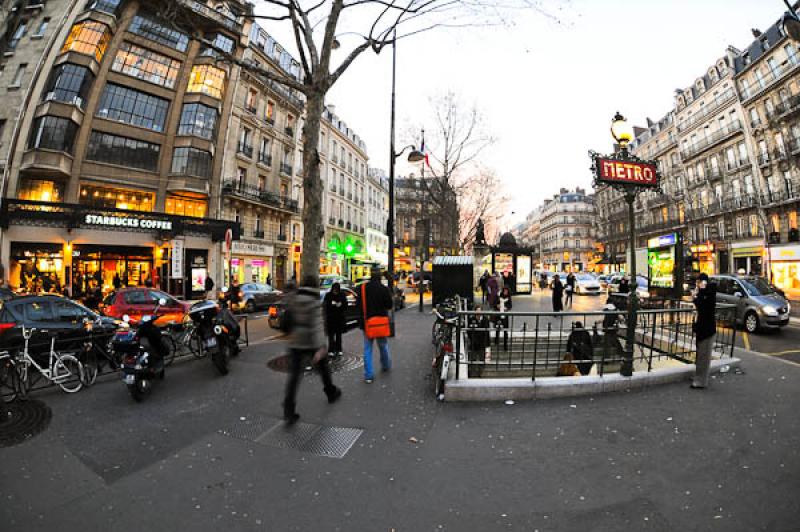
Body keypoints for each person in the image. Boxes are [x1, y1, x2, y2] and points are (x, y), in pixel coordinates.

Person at [282, 275, 341, 424]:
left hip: (295, 342)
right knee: (324, 369)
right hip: (311, 343)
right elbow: (317, 326)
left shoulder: (294, 299)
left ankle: (289, 408)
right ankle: (331, 392)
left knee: (294, 376)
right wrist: (321, 346)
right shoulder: (314, 302)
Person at [356, 267, 393, 383]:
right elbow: (389, 305)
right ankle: (386, 365)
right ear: (380, 276)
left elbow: (358, 305)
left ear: (370, 275)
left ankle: (369, 375)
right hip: (381, 323)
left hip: (367, 323)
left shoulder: (362, 288)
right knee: (383, 345)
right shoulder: (384, 289)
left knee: (367, 349)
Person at [691, 272, 717, 389]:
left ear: (704, 282)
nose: (697, 285)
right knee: (700, 355)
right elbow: (700, 306)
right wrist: (694, 297)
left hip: (707, 330)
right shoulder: (704, 293)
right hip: (702, 328)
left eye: (699, 282)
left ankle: (701, 381)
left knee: (704, 356)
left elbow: (704, 307)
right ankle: (698, 377)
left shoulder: (709, 293)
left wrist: (698, 293)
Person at [323, 282, 348, 357]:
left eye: (336, 290)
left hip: (339, 318)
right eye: (334, 290)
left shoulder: (342, 295)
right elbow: (326, 305)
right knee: (331, 335)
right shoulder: (328, 295)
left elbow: (345, 305)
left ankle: (339, 349)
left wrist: (341, 305)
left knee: (338, 335)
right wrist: (332, 305)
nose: (335, 292)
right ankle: (331, 350)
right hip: (331, 318)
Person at [494, 286, 512, 350]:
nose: (505, 292)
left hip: (505, 316)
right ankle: (496, 340)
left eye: (506, 291)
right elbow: (494, 304)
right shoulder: (498, 297)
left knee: (505, 330)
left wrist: (506, 308)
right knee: (497, 328)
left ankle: (505, 345)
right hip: (498, 315)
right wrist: (497, 306)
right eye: (504, 291)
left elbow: (510, 306)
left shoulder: (508, 298)